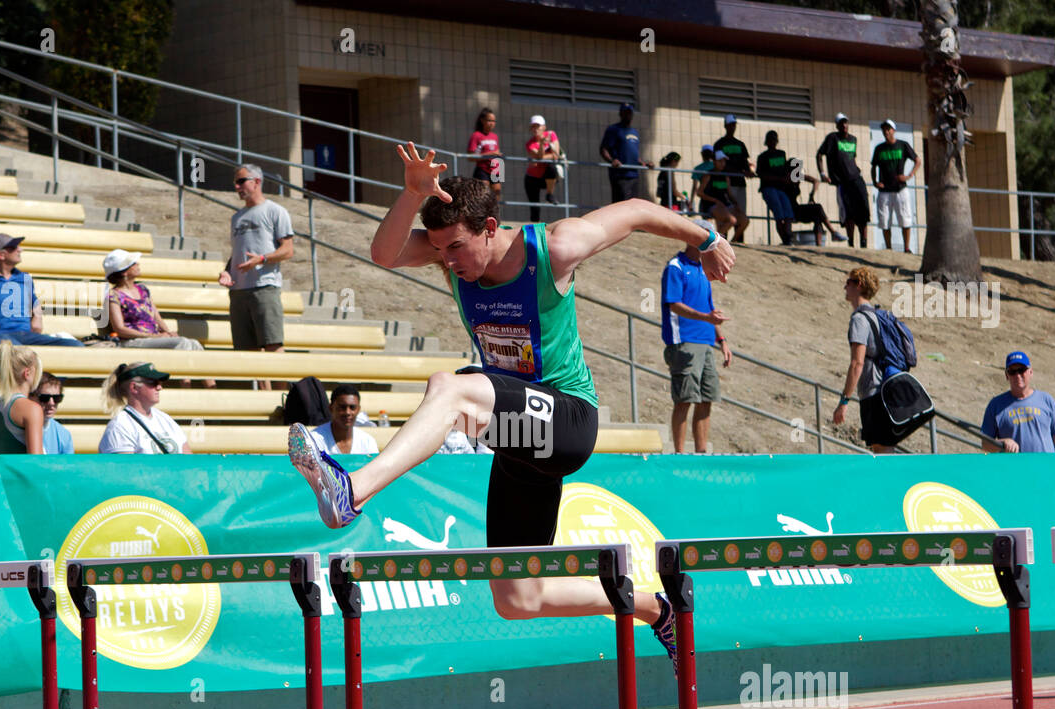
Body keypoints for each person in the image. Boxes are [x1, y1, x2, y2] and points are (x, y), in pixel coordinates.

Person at [290, 142, 736, 671]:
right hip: (520, 443)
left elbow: (638, 212)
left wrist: (706, 237)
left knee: (449, 385)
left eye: (456, 247)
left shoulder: (554, 247)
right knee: (516, 599)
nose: (448, 262)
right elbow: (384, 253)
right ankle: (654, 609)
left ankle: (352, 490)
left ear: (490, 226)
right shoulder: (448, 253)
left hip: (569, 421)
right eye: (440, 250)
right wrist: (411, 195)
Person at [217, 164, 294, 388]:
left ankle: (285, 400)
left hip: (264, 287)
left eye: (242, 181)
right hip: (239, 291)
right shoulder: (237, 217)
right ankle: (265, 399)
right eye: (236, 182)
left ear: (257, 181)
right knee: (248, 351)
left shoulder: (274, 211)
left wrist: (261, 259)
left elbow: (287, 250)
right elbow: (237, 253)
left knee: (272, 345)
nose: (237, 186)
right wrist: (226, 271)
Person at [104, 249, 214, 388]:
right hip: (133, 341)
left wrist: (168, 333)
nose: (138, 264)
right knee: (182, 343)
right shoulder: (114, 295)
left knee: (194, 344)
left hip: (151, 338)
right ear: (124, 271)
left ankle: (212, 388)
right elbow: (120, 329)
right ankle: (186, 388)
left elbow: (156, 316)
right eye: (133, 263)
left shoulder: (142, 289)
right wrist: (153, 336)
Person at [662, 242, 733, 453]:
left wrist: (722, 341)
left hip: (706, 343)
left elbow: (710, 308)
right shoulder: (675, 266)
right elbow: (673, 304)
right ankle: (680, 453)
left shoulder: (703, 269)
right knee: (685, 399)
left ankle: (701, 453)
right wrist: (705, 318)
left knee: (706, 399)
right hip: (684, 341)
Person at [831, 266, 897, 452]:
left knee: (881, 448)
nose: (845, 287)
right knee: (883, 446)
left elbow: (857, 363)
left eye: (848, 283)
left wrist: (844, 402)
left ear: (858, 285)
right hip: (886, 389)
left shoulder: (860, 319)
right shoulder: (877, 315)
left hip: (873, 392)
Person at [980, 351, 1055, 453]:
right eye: (1012, 371)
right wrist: (1002, 443)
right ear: (1006, 375)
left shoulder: (1046, 400)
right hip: (1015, 468)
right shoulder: (995, 405)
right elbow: (985, 445)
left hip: (1046, 467)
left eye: (1021, 370)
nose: (1017, 375)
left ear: (1030, 372)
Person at [98, 362, 190, 455]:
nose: (159, 387)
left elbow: (189, 461)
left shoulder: (166, 419)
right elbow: (124, 468)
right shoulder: (119, 427)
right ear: (134, 387)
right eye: (153, 383)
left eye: (160, 382)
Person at [817, 114, 870, 248]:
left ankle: (864, 242)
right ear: (837, 126)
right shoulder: (832, 138)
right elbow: (819, 154)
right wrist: (823, 173)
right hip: (842, 182)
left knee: (863, 211)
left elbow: (851, 158)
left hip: (856, 178)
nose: (844, 125)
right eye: (841, 123)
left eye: (845, 123)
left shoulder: (853, 139)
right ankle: (851, 242)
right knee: (848, 213)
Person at [0, 340, 45, 454]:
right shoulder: (31, 409)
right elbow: (36, 461)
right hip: (21, 471)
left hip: (1, 471)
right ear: (27, 373)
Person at [871, 119, 920, 253]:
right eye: (884, 129)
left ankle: (907, 247)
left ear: (894, 130)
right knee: (884, 220)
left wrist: (909, 176)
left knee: (905, 219)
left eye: (888, 129)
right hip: (884, 190)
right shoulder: (879, 148)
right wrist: (875, 182)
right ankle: (888, 248)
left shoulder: (902, 145)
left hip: (900, 189)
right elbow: (873, 166)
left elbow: (917, 160)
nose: (886, 132)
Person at [599, 102, 653, 203]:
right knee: (621, 204)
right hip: (620, 175)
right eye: (625, 112)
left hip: (633, 175)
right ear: (621, 114)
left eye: (629, 113)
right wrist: (612, 161)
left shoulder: (634, 132)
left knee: (632, 204)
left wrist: (643, 163)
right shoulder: (613, 130)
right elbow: (603, 149)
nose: (628, 115)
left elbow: (633, 153)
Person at [712, 114, 754, 241]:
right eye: (730, 124)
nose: (732, 127)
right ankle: (724, 240)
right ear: (725, 126)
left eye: (734, 124)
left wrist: (748, 171)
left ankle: (738, 240)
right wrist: (740, 171)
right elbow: (720, 164)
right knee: (728, 213)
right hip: (727, 183)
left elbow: (745, 162)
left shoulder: (740, 144)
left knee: (740, 212)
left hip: (740, 183)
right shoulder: (719, 144)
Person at [311, 384, 379, 455]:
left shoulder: (367, 441)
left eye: (352, 407)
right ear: (331, 408)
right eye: (342, 407)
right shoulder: (314, 440)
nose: (347, 412)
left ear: (358, 410)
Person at [696, 150, 746, 240]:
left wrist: (736, 204)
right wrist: (716, 201)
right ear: (714, 161)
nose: (723, 163)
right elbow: (699, 193)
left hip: (724, 205)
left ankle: (732, 243)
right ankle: (712, 241)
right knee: (731, 220)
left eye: (724, 161)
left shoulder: (725, 176)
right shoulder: (708, 175)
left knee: (744, 220)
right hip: (711, 205)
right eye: (720, 161)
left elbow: (729, 194)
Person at [523, 115, 561, 221]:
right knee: (535, 208)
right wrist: (541, 144)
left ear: (544, 127)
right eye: (533, 127)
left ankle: (549, 194)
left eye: (538, 126)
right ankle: (535, 231)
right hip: (532, 178)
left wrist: (542, 158)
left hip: (546, 176)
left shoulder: (551, 134)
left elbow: (556, 155)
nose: (535, 129)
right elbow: (540, 157)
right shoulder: (530, 143)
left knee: (552, 167)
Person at [31, 371, 75, 455]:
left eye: (57, 398)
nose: (51, 403)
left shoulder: (64, 435)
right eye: (44, 398)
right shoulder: (17, 429)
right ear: (30, 397)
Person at [467, 108, 503, 199]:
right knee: (483, 195)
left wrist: (497, 155)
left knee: (497, 195)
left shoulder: (495, 136)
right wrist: (490, 154)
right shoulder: (476, 135)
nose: (492, 123)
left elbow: (496, 152)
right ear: (482, 121)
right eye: (489, 120)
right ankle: (483, 213)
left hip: (497, 167)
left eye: (494, 121)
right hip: (483, 168)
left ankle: (494, 213)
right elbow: (470, 157)